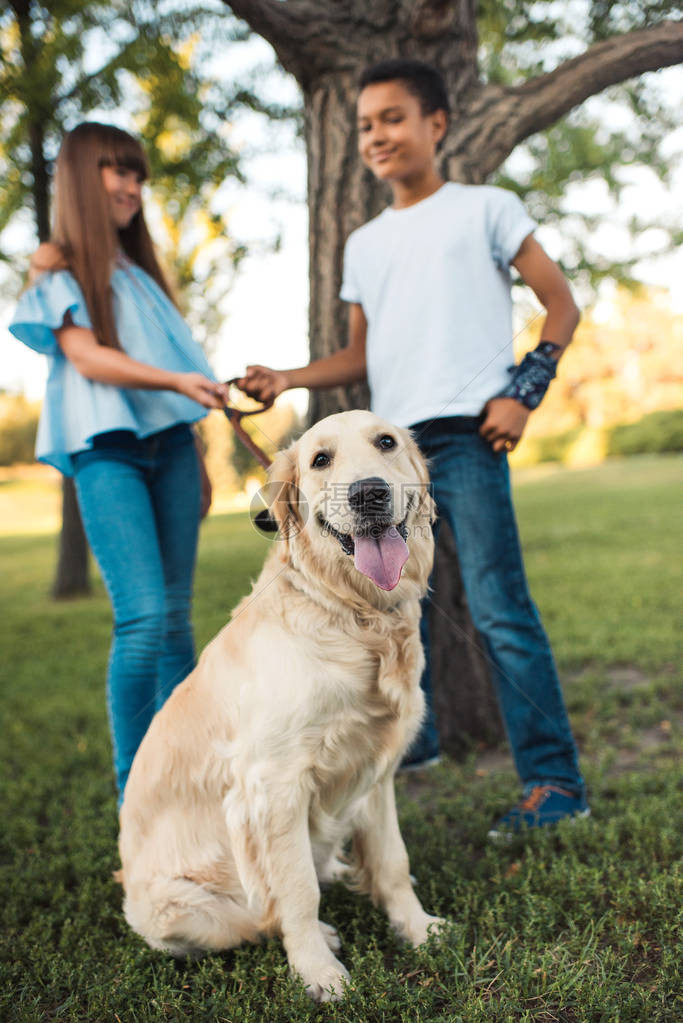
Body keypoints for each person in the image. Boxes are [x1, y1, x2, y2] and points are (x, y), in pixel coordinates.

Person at [239, 59, 590, 838]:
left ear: (436, 123)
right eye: (365, 125)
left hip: (468, 434)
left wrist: (522, 390)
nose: (376, 136)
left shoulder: (487, 208)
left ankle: (555, 783)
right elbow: (360, 358)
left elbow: (560, 301)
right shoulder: (364, 243)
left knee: (499, 607)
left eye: (392, 118)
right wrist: (288, 377)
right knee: (396, 603)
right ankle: (412, 749)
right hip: (388, 454)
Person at [10, 122, 229, 805]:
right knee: (142, 619)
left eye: (137, 173)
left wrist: (194, 449)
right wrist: (175, 386)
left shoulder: (140, 274)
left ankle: (192, 780)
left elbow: (176, 366)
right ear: (80, 178)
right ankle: (137, 794)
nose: (132, 185)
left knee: (177, 623)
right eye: (115, 170)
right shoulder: (57, 270)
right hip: (107, 452)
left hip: (170, 452)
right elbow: (85, 356)